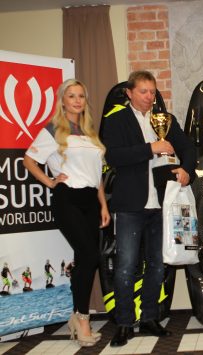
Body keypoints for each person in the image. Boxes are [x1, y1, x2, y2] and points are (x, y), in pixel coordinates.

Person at [101, 70, 196, 347]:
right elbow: (114, 156)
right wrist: (151, 147)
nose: (149, 96)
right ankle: (124, 323)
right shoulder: (116, 119)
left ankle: (150, 318)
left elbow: (188, 148)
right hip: (131, 204)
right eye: (143, 91)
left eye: (152, 91)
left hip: (163, 204)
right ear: (129, 93)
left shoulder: (166, 119)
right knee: (126, 267)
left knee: (157, 265)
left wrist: (187, 170)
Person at [24, 79, 110, 347]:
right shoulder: (53, 130)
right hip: (68, 198)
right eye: (71, 96)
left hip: (90, 200)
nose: (77, 100)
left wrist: (103, 205)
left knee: (85, 259)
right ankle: (82, 318)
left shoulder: (91, 133)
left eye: (81, 96)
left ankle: (77, 316)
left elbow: (96, 175)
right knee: (89, 255)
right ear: (62, 100)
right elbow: (29, 160)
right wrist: (50, 182)